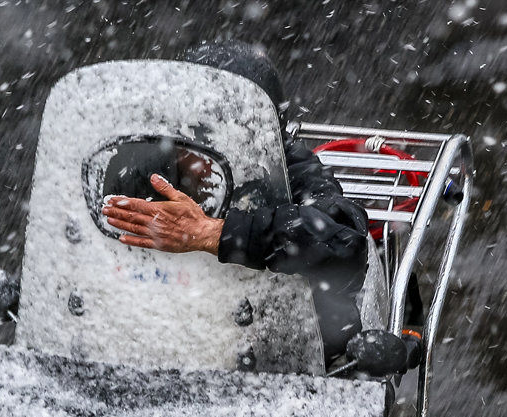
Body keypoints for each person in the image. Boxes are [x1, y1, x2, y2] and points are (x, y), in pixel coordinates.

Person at [102, 41, 420, 371]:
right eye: (193, 135)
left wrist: (215, 233)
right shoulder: (145, 172)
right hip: (168, 344)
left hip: (273, 356)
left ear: (258, 132)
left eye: (221, 136)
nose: (201, 156)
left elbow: (343, 240)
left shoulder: (292, 167)